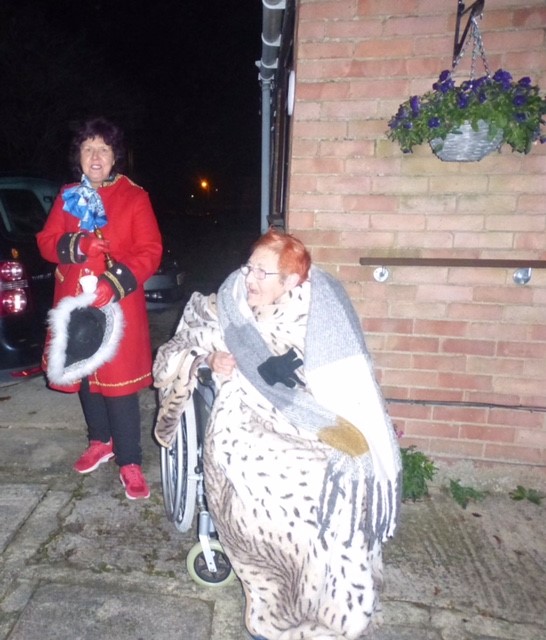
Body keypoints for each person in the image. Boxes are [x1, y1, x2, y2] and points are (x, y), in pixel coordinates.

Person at [153, 228, 401, 639]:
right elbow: (174, 352)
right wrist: (207, 359)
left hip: (305, 415)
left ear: (290, 283)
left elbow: (345, 382)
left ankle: (337, 603)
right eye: (249, 267)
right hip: (242, 418)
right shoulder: (224, 307)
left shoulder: (319, 315)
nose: (249, 279)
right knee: (288, 486)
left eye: (262, 274)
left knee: (345, 475)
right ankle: (280, 598)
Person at [37, 116, 162, 500]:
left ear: (114, 157)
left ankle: (129, 461)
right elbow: (46, 242)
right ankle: (100, 442)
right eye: (88, 148)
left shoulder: (135, 196)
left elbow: (151, 252)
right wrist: (78, 245)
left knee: (120, 386)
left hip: (118, 303)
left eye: (103, 149)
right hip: (75, 301)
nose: (95, 156)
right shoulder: (67, 195)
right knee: (86, 376)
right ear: (79, 155)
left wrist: (114, 282)